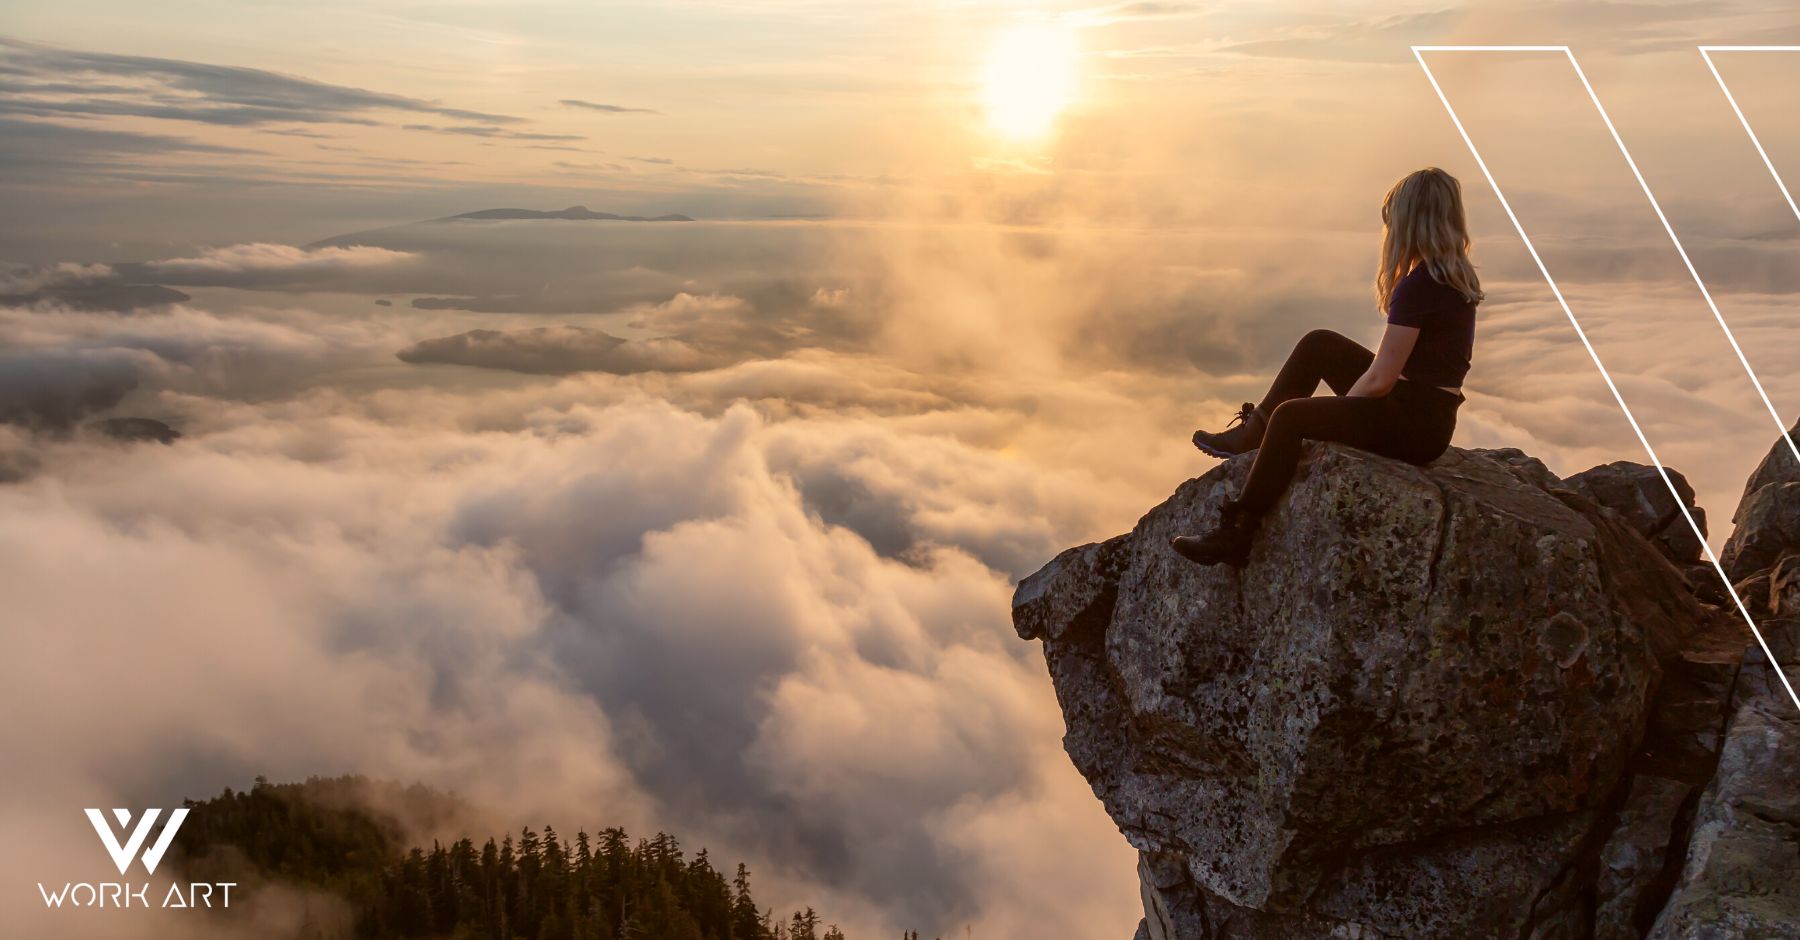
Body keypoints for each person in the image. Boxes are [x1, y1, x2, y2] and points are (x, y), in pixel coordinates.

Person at [1173, 167, 1483, 567]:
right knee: (1319, 344)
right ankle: (1253, 435)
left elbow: (1381, 378)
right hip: (1428, 417)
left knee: (1290, 418)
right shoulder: (1449, 276)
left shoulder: (1420, 286)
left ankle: (1237, 532)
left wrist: (1343, 414)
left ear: (1409, 224)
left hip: (1412, 424)